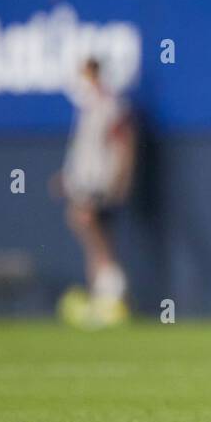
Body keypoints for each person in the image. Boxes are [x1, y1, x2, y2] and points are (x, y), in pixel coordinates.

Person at [53, 57, 135, 327]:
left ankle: (112, 289)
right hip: (85, 181)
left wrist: (120, 180)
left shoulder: (109, 104)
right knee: (91, 234)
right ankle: (103, 295)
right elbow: (84, 149)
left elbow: (124, 144)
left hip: (100, 182)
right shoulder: (88, 106)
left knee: (87, 225)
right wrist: (68, 178)